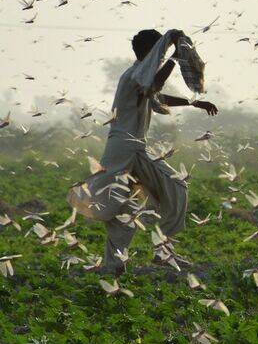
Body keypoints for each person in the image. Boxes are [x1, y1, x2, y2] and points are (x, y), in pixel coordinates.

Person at [69, 28, 217, 275]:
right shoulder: (135, 77)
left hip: (126, 148)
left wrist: (194, 102)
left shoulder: (136, 76)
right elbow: (153, 87)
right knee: (175, 187)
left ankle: (116, 265)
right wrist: (174, 58)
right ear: (151, 52)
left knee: (125, 210)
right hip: (128, 149)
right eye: (160, 50)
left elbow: (157, 96)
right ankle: (160, 252)